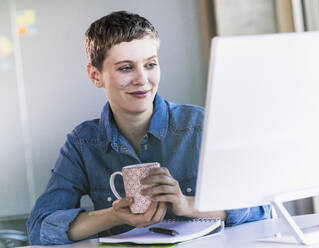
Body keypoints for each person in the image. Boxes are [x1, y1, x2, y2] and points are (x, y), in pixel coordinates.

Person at [26, 10, 271, 245]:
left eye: (150, 64)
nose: (142, 79)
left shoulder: (199, 126)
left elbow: (262, 208)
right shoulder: (83, 143)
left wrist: (187, 205)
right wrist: (114, 215)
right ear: (95, 75)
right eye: (125, 67)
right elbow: (40, 227)